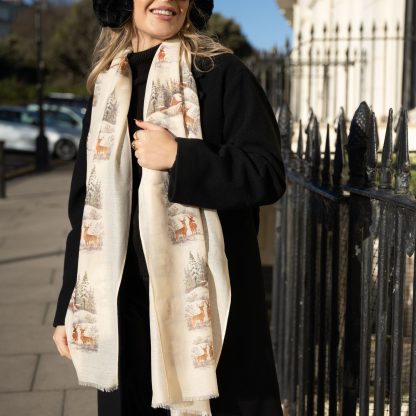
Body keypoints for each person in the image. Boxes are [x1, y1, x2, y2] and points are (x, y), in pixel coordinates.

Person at [52, 1, 286, 415]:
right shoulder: (107, 87)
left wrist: (180, 156)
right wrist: (67, 306)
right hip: (120, 311)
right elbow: (83, 211)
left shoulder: (222, 75)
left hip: (204, 310)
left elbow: (266, 174)